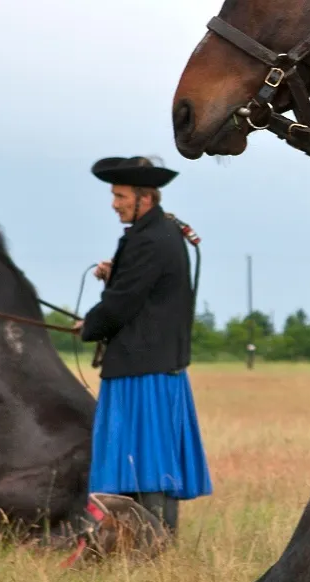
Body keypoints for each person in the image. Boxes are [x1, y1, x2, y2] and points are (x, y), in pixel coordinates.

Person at [74, 156, 212, 537]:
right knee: (154, 460)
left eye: (120, 195)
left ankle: (151, 543)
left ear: (145, 198)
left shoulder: (148, 240)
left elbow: (121, 304)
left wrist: (89, 326)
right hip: (155, 363)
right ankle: (149, 543)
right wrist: (114, 274)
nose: (115, 203)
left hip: (142, 368)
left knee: (146, 462)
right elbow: (142, 291)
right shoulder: (161, 233)